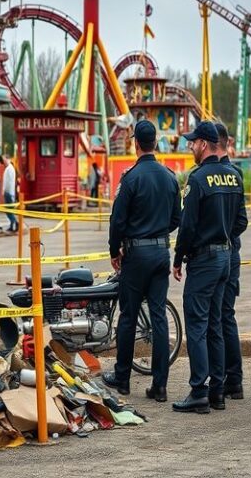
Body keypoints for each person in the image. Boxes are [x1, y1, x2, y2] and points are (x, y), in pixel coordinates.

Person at [171, 121, 247, 414]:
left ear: (204, 144)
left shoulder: (198, 179)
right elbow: (242, 221)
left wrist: (179, 259)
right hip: (226, 258)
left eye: (192, 142)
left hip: (203, 261)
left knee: (198, 326)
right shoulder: (234, 176)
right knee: (216, 323)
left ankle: (198, 391)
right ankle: (218, 391)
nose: (190, 146)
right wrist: (224, 233)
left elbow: (187, 227)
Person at [102, 120, 181, 402]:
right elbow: (176, 219)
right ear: (155, 143)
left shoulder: (131, 178)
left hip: (136, 256)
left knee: (129, 315)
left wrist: (115, 250)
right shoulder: (170, 177)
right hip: (161, 253)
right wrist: (158, 234)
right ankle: (159, 385)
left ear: (136, 144)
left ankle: (122, 378)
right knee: (158, 317)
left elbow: (117, 220)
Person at [212, 122, 246, 400]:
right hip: (232, 253)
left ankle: (225, 377)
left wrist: (221, 234)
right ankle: (233, 379)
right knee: (227, 316)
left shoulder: (221, 174)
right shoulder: (237, 174)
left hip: (220, 253)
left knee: (218, 317)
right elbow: (242, 221)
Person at [2, 155, 18, 233]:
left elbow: (8, 182)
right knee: (9, 210)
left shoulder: (9, 169)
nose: (3, 162)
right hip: (9, 192)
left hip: (9, 193)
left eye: (4, 160)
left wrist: (4, 191)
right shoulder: (9, 168)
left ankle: (15, 222)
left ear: (8, 159)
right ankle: (12, 225)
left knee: (8, 210)